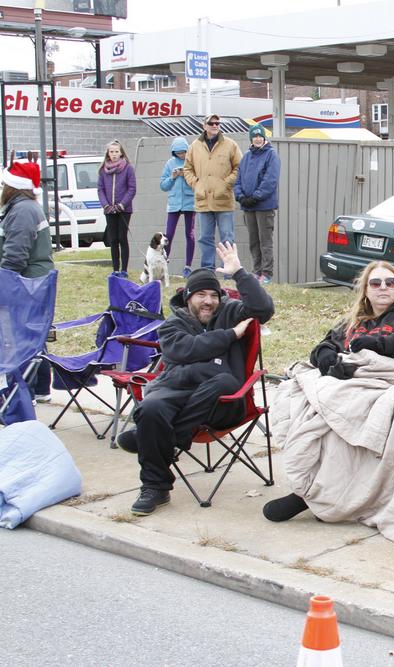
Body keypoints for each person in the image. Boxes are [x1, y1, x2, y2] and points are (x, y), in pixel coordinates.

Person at [263, 260, 394, 522]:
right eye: (376, 283)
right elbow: (324, 345)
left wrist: (379, 343)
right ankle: (310, 487)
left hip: (388, 387)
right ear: (366, 290)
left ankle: (311, 497)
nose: (383, 287)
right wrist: (326, 358)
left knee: (342, 423)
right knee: (301, 404)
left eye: (390, 282)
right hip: (347, 385)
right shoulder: (355, 320)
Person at [115, 242, 275, 516]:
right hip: (174, 393)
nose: (209, 301)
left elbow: (264, 310)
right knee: (152, 408)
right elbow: (183, 349)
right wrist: (229, 337)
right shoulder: (173, 324)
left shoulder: (231, 311)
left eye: (213, 295)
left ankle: (161, 438)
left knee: (224, 380)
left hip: (222, 402)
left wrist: (239, 273)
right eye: (201, 294)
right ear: (188, 297)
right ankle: (156, 487)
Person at [0, 161, 55, 403]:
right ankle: (40, 388)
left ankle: (26, 391)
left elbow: (15, 255)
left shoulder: (22, 211)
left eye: (4, 183)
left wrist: (4, 281)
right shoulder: (23, 207)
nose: (1, 187)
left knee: (22, 337)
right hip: (33, 280)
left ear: (12, 186)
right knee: (33, 334)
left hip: (25, 283)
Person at [184, 114, 242, 271]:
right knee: (205, 238)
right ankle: (208, 269)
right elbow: (187, 169)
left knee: (227, 238)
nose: (215, 125)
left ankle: (229, 270)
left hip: (223, 200)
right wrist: (196, 184)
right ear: (204, 126)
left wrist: (226, 184)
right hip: (203, 201)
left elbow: (239, 167)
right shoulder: (194, 146)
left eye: (217, 123)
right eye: (211, 123)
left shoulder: (231, 145)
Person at [234, 124, 280, 284]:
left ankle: (266, 273)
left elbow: (270, 180)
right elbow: (238, 179)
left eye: (261, 136)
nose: (258, 139)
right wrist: (240, 196)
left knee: (265, 241)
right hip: (248, 206)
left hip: (264, 206)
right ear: (251, 139)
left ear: (264, 138)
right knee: (253, 241)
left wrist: (256, 196)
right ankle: (256, 270)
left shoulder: (271, 155)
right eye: (255, 136)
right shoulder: (246, 156)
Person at [97, 140, 137, 278]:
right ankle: (115, 269)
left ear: (121, 153)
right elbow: (100, 189)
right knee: (113, 239)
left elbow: (132, 189)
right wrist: (106, 205)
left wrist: (122, 205)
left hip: (123, 210)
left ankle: (124, 269)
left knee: (122, 237)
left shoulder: (128, 168)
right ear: (108, 153)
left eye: (116, 151)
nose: (114, 154)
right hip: (109, 210)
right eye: (111, 152)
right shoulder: (103, 170)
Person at [159, 137, 196, 278]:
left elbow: (196, 184)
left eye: (184, 152)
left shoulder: (192, 162)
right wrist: (173, 177)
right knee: (168, 235)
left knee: (190, 234)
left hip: (189, 203)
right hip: (174, 204)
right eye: (178, 153)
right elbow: (163, 186)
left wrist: (185, 175)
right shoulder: (170, 164)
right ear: (174, 152)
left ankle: (188, 266)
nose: (181, 155)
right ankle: (163, 264)